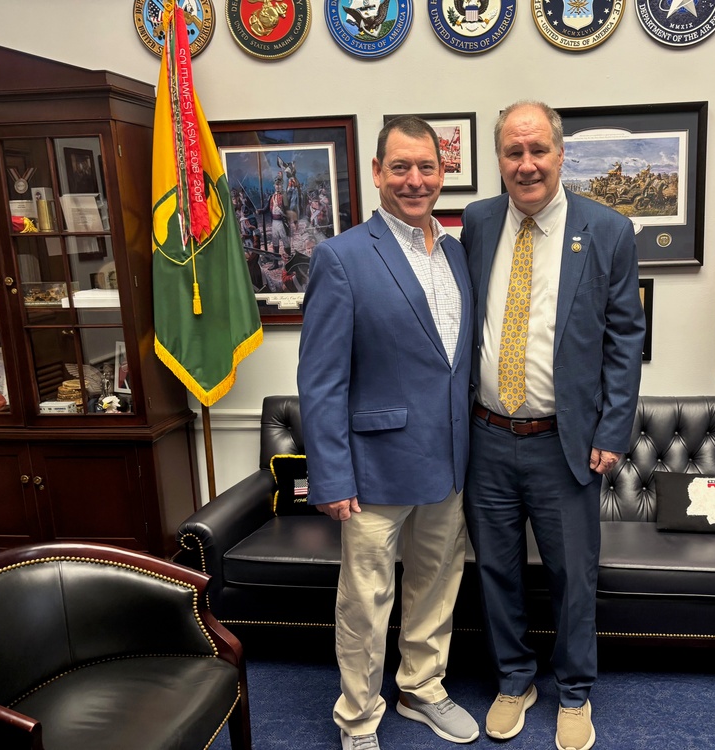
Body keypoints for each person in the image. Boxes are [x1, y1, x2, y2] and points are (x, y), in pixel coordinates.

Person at [461, 101, 645, 750]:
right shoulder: (478, 223)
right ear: (500, 160)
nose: (527, 164)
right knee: (496, 571)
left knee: (574, 576)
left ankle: (574, 691)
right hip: (484, 437)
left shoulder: (608, 231)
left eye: (538, 149)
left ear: (561, 154)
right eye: (514, 152)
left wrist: (612, 431)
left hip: (563, 444)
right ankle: (514, 680)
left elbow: (626, 339)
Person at [298, 116, 478, 750]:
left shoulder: (459, 252)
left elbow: (455, 363)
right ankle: (358, 717)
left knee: (436, 586)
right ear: (377, 173)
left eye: (426, 167)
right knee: (365, 604)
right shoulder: (341, 257)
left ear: (442, 172)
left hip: (449, 462)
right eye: (399, 167)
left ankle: (421, 689)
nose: (414, 179)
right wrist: (331, 475)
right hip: (373, 467)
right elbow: (319, 380)